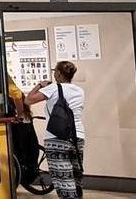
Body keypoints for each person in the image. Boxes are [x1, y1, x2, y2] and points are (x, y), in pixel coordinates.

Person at [25, 61, 85, 199]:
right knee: (76, 176)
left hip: (56, 137)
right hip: (78, 136)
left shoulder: (53, 88)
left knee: (62, 178)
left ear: (58, 73)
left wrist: (40, 85)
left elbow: (28, 100)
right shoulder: (80, 91)